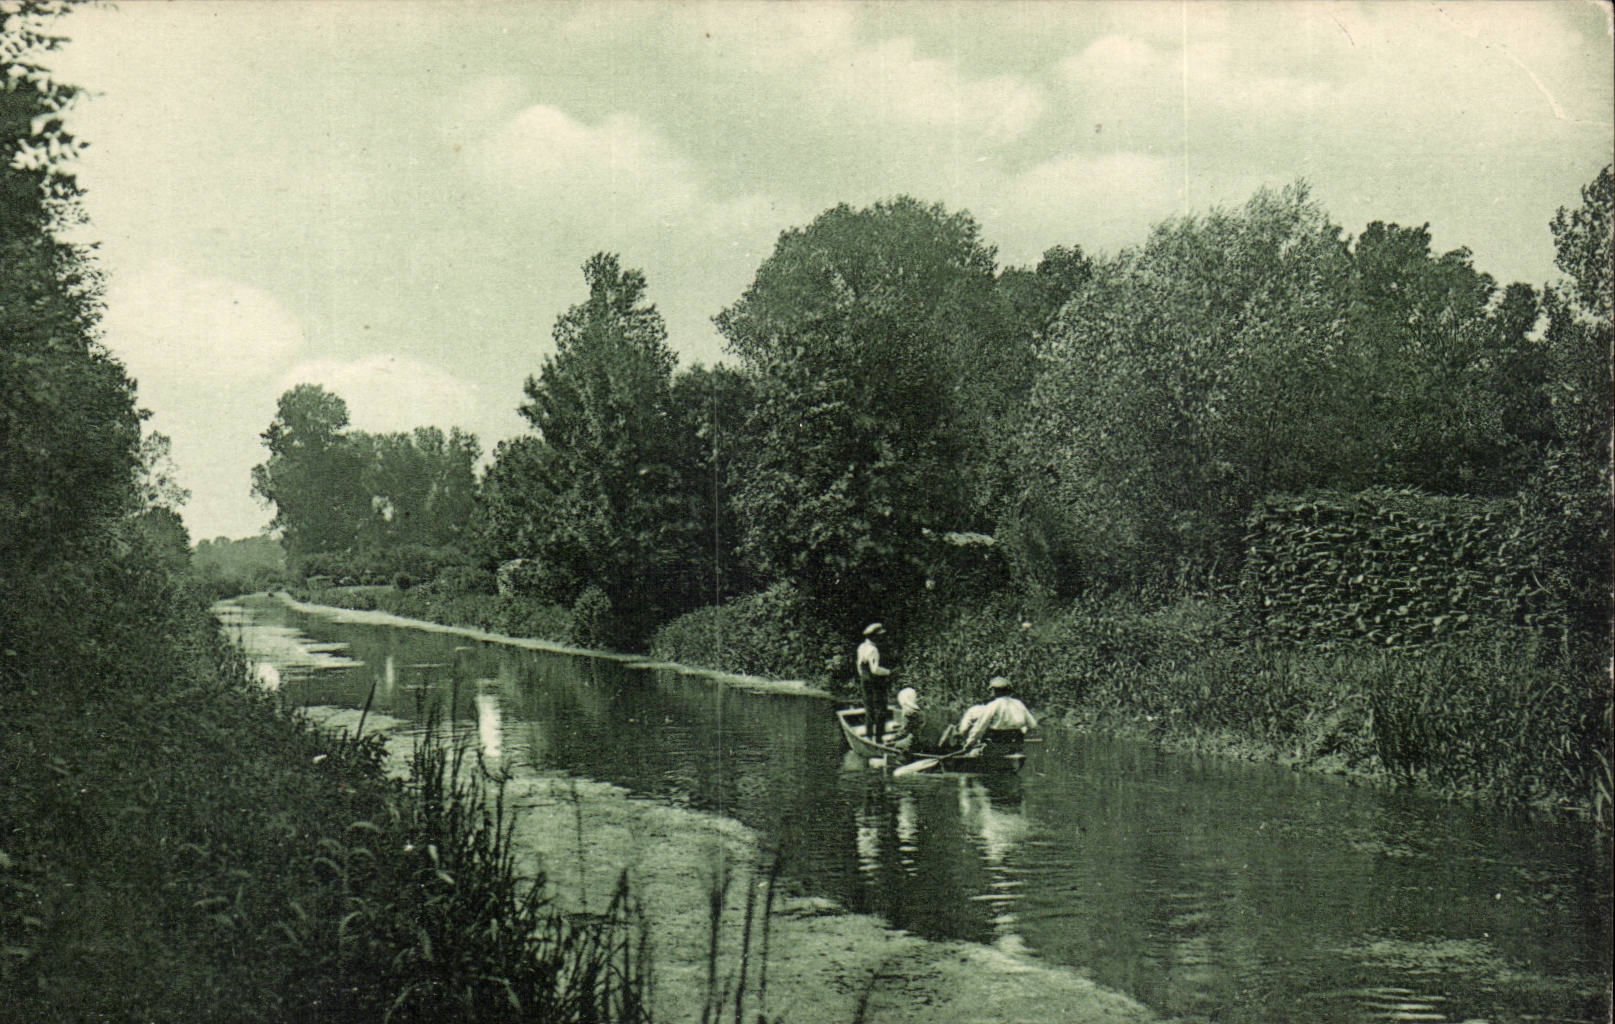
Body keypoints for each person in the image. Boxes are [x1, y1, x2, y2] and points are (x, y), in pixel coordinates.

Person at [944, 676, 1037, 752]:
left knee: (974, 751)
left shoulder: (993, 705)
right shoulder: (1019, 703)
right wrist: (1019, 731)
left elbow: (980, 727)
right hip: (1015, 744)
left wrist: (970, 743)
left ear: (994, 691)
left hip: (996, 744)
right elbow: (1033, 725)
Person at [856, 622, 893, 744]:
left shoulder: (862, 647)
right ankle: (878, 739)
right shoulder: (873, 650)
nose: (881, 638)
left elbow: (859, 666)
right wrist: (889, 672)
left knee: (869, 709)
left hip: (865, 681)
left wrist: (864, 677)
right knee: (880, 709)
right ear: (873, 636)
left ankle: (868, 736)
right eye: (879, 636)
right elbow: (875, 669)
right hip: (875, 683)